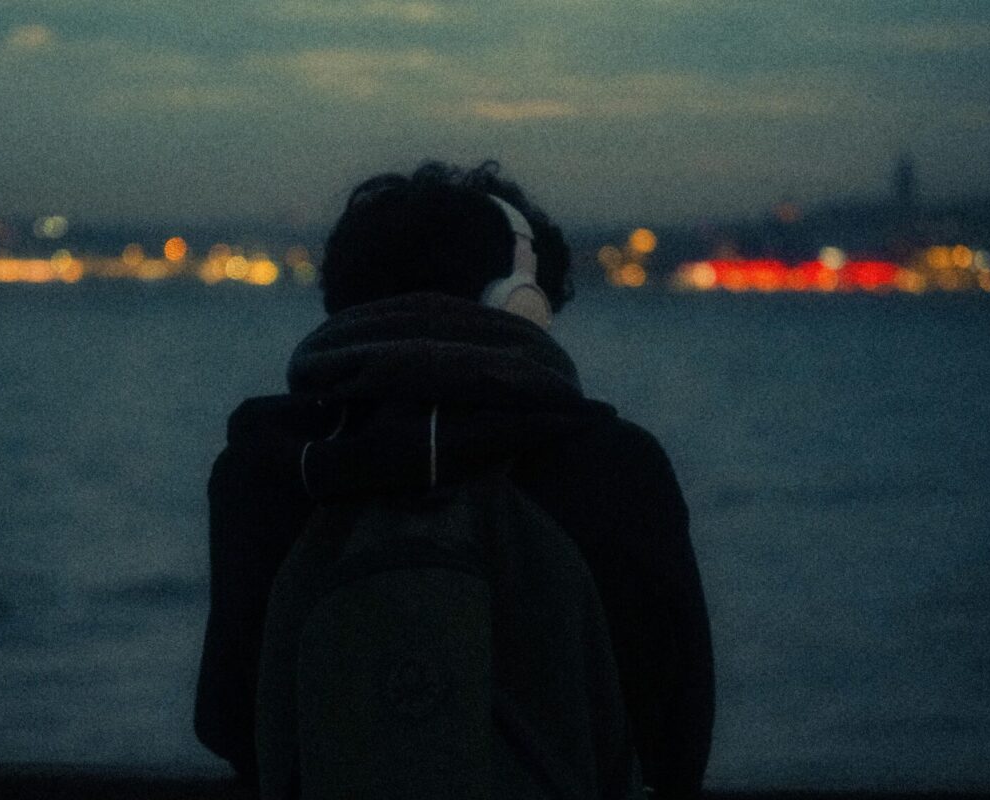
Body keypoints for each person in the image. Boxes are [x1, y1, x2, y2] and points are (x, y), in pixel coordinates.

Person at [195, 161, 714, 797]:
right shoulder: (618, 467)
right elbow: (677, 745)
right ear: (522, 306)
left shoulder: (266, 467)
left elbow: (228, 724)